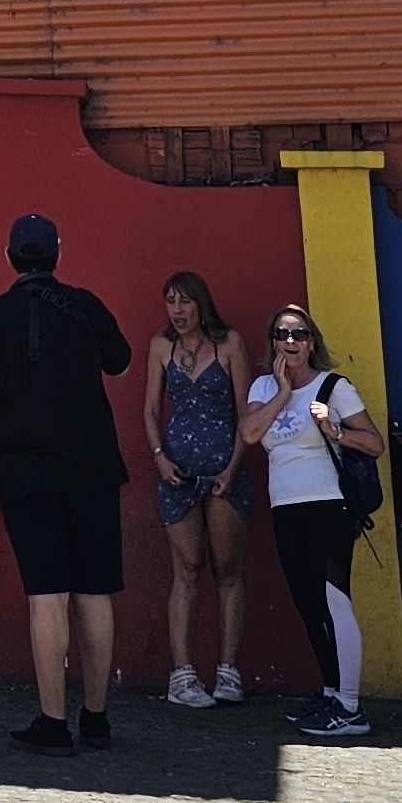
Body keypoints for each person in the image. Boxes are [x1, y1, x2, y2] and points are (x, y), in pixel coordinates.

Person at [0, 211, 136, 755]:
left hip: (29, 470)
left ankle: (53, 723)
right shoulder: (86, 305)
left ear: (9, 257)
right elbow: (121, 362)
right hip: (94, 466)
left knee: (47, 595)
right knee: (95, 592)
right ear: (58, 254)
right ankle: (97, 719)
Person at [236, 303, 386, 738]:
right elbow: (249, 433)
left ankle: (351, 707)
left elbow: (374, 443)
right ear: (273, 342)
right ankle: (331, 692)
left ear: (312, 341)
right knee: (308, 602)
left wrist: (336, 431)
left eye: (299, 334)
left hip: (329, 505)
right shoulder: (264, 387)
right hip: (286, 505)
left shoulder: (333, 387)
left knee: (334, 600)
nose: (291, 342)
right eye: (282, 334)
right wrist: (283, 393)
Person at [143, 270, 249, 708]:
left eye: (185, 301)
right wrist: (159, 456)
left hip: (224, 472)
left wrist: (233, 466)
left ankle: (228, 671)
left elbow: (246, 413)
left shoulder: (231, 344)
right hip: (177, 473)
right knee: (186, 568)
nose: (177, 310)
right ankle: (182, 676)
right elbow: (151, 410)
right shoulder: (160, 347)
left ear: (201, 304)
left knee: (227, 568)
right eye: (171, 301)